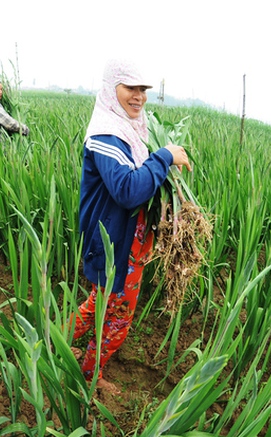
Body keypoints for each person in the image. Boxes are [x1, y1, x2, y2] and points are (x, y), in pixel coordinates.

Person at [71, 59, 191, 394]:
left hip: (126, 240)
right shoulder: (106, 134)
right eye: (130, 88)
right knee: (118, 315)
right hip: (113, 244)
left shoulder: (127, 126)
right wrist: (163, 156)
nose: (139, 96)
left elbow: (140, 181)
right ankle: (89, 374)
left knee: (100, 302)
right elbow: (128, 190)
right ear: (112, 89)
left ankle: (56, 343)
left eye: (143, 89)